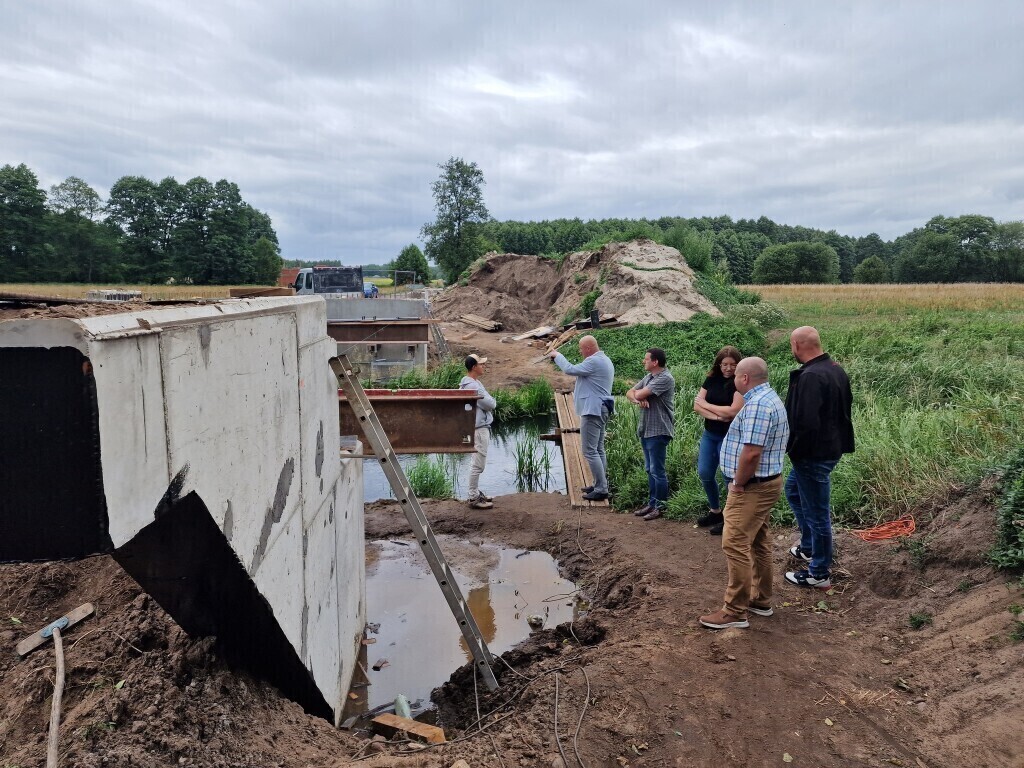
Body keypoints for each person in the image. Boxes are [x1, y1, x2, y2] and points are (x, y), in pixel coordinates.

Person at [699, 357, 789, 630]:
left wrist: (738, 483)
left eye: (736, 374)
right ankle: (760, 599)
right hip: (764, 483)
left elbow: (751, 453)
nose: (733, 378)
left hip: (752, 486)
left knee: (734, 542)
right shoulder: (767, 398)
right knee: (759, 540)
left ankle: (734, 611)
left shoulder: (759, 406)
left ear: (745, 378)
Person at [783, 326, 855, 590]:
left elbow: (806, 422)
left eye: (792, 346)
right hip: (829, 448)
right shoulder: (835, 369)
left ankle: (819, 572)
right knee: (793, 490)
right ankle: (810, 546)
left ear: (798, 345)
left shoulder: (811, 376)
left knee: (817, 513)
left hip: (813, 454)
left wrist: (794, 450)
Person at [549, 335, 615, 501]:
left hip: (593, 410)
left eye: (580, 349)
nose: (580, 351)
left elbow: (570, 369)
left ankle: (601, 489)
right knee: (598, 449)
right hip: (601, 408)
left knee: (589, 450)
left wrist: (557, 356)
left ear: (587, 349)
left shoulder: (594, 361)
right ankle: (599, 483)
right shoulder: (604, 359)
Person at [692, 347, 745, 536]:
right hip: (710, 433)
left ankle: (730, 519)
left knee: (728, 477)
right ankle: (716, 511)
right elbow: (696, 406)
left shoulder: (739, 383)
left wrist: (706, 405)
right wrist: (715, 416)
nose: (728, 368)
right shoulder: (711, 378)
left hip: (729, 436)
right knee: (705, 473)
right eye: (724, 364)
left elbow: (733, 410)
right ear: (719, 364)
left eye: (732, 364)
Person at [625, 348, 676, 521]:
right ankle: (652, 503)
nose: (643, 361)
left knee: (657, 470)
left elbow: (638, 392)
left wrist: (639, 395)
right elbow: (630, 392)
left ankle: (660, 506)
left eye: (646, 359)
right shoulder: (649, 378)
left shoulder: (665, 378)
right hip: (646, 429)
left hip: (659, 429)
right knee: (649, 469)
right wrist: (636, 398)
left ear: (655, 362)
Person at [460, 353, 497, 510]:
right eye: (481, 364)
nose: (484, 366)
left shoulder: (472, 383)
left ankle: (473, 493)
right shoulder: (473, 386)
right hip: (478, 428)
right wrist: (491, 401)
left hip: (475, 427)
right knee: (478, 464)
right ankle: (473, 497)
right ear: (474, 367)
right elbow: (490, 404)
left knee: (475, 462)